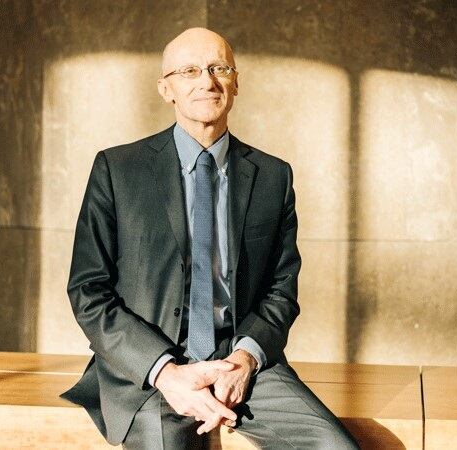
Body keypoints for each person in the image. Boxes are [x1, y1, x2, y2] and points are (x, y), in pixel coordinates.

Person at [59, 27, 358, 449]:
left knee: (335, 446)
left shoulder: (273, 177)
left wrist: (245, 358)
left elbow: (281, 289)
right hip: (148, 369)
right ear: (166, 88)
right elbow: (88, 291)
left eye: (219, 68)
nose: (207, 81)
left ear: (236, 82)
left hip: (241, 363)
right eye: (190, 71)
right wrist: (166, 372)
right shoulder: (117, 169)